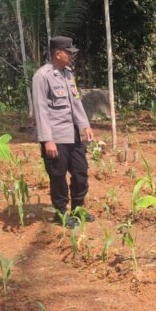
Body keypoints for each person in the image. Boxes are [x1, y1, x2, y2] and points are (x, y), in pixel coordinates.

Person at [32, 35, 95, 228]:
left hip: (73, 134)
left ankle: (77, 210)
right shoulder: (42, 76)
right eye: (69, 52)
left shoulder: (68, 74)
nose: (71, 56)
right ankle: (61, 214)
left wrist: (85, 125)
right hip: (55, 137)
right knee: (58, 176)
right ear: (58, 54)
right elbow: (40, 110)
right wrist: (47, 140)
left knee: (81, 172)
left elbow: (76, 102)